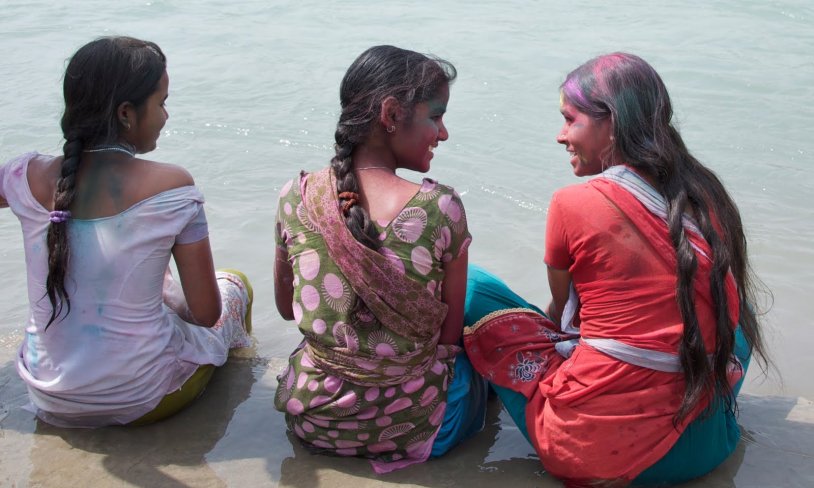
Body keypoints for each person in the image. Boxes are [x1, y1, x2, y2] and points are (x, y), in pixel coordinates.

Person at [463, 53, 768, 486]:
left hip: (591, 453)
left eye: (570, 120)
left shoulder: (572, 203)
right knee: (739, 311)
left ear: (613, 123)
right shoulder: (706, 195)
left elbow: (560, 312)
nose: (561, 135)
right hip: (705, 448)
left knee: (474, 287)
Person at [0, 36, 253, 428]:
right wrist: (168, 294)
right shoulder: (174, 188)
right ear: (126, 114)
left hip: (49, 396)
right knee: (235, 286)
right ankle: (238, 391)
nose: (166, 115)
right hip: (142, 396)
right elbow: (205, 314)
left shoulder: (22, 176)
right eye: (162, 102)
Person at [273, 45, 487, 473]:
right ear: (390, 115)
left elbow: (284, 307)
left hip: (316, 423)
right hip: (418, 426)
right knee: (481, 345)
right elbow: (447, 339)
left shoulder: (296, 196)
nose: (442, 133)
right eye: (436, 116)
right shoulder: (440, 207)